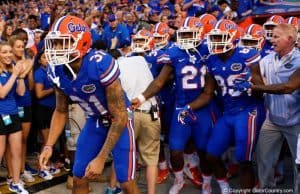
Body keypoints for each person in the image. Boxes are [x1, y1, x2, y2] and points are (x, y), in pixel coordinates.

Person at [38, 15, 140, 194]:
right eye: (55, 43)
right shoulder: (55, 70)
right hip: (95, 121)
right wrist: (48, 145)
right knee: (78, 176)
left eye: (64, 42)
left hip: (120, 121)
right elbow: (61, 110)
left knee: (126, 182)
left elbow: (121, 115)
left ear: (82, 42)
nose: (57, 49)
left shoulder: (100, 63)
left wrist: (101, 158)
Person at [132, 17, 215, 194]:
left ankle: (207, 181)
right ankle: (179, 179)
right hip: (180, 107)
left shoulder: (208, 51)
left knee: (203, 149)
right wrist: (141, 97)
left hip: (203, 108)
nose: (184, 38)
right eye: (182, 34)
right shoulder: (175, 51)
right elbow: (159, 81)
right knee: (176, 150)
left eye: (189, 34)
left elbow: (210, 87)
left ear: (200, 34)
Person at [188, 19, 263, 193]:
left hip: (248, 110)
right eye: (214, 38)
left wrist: (251, 86)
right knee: (211, 154)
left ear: (232, 37)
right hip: (228, 113)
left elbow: (261, 87)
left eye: (220, 37)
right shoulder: (211, 60)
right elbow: (208, 93)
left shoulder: (247, 54)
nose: (216, 42)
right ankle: (225, 186)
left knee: (244, 159)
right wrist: (188, 107)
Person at [235, 23, 300, 192]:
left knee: (298, 164)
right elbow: (253, 77)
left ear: (290, 39)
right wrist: (244, 79)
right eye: (272, 36)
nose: (272, 40)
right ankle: (266, 188)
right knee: (263, 159)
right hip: (272, 120)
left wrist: (255, 87)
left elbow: (288, 87)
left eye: (277, 36)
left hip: (297, 122)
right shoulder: (267, 59)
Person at [0, 42, 28, 194]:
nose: (8, 55)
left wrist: (21, 76)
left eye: (10, 52)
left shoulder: (13, 69)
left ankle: (16, 183)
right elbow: (2, 93)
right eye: (4, 52)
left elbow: (21, 92)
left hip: (13, 114)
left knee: (16, 151)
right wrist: (16, 75)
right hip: (0, 115)